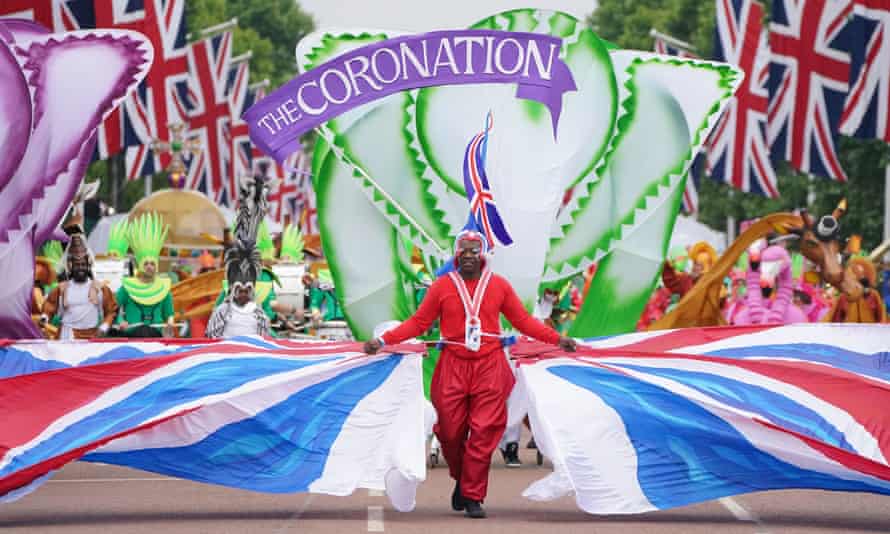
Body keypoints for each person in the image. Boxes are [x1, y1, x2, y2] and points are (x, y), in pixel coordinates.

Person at [363, 228, 576, 519]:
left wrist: (556, 339)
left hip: (489, 366)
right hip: (452, 366)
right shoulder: (441, 287)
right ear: (455, 254)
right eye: (463, 250)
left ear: (484, 255)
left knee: (484, 432)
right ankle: (463, 481)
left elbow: (524, 321)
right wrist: (384, 340)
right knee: (449, 434)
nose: (468, 256)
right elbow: (418, 322)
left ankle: (473, 496)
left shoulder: (499, 286)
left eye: (474, 251)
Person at [41, 229, 117, 339]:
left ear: (88, 266)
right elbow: (50, 306)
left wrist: (104, 327)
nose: (80, 268)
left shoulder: (101, 289)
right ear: (71, 267)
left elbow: (111, 311)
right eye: (77, 265)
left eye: (83, 264)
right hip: (66, 336)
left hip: (91, 337)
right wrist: (45, 317)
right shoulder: (61, 288)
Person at [115, 212, 175, 337]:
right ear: (140, 265)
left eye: (152, 264)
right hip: (133, 337)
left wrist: (170, 321)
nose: (149, 266)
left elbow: (169, 313)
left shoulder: (163, 287)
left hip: (155, 337)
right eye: (146, 263)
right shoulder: (127, 287)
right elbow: (112, 309)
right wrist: (120, 321)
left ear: (157, 266)